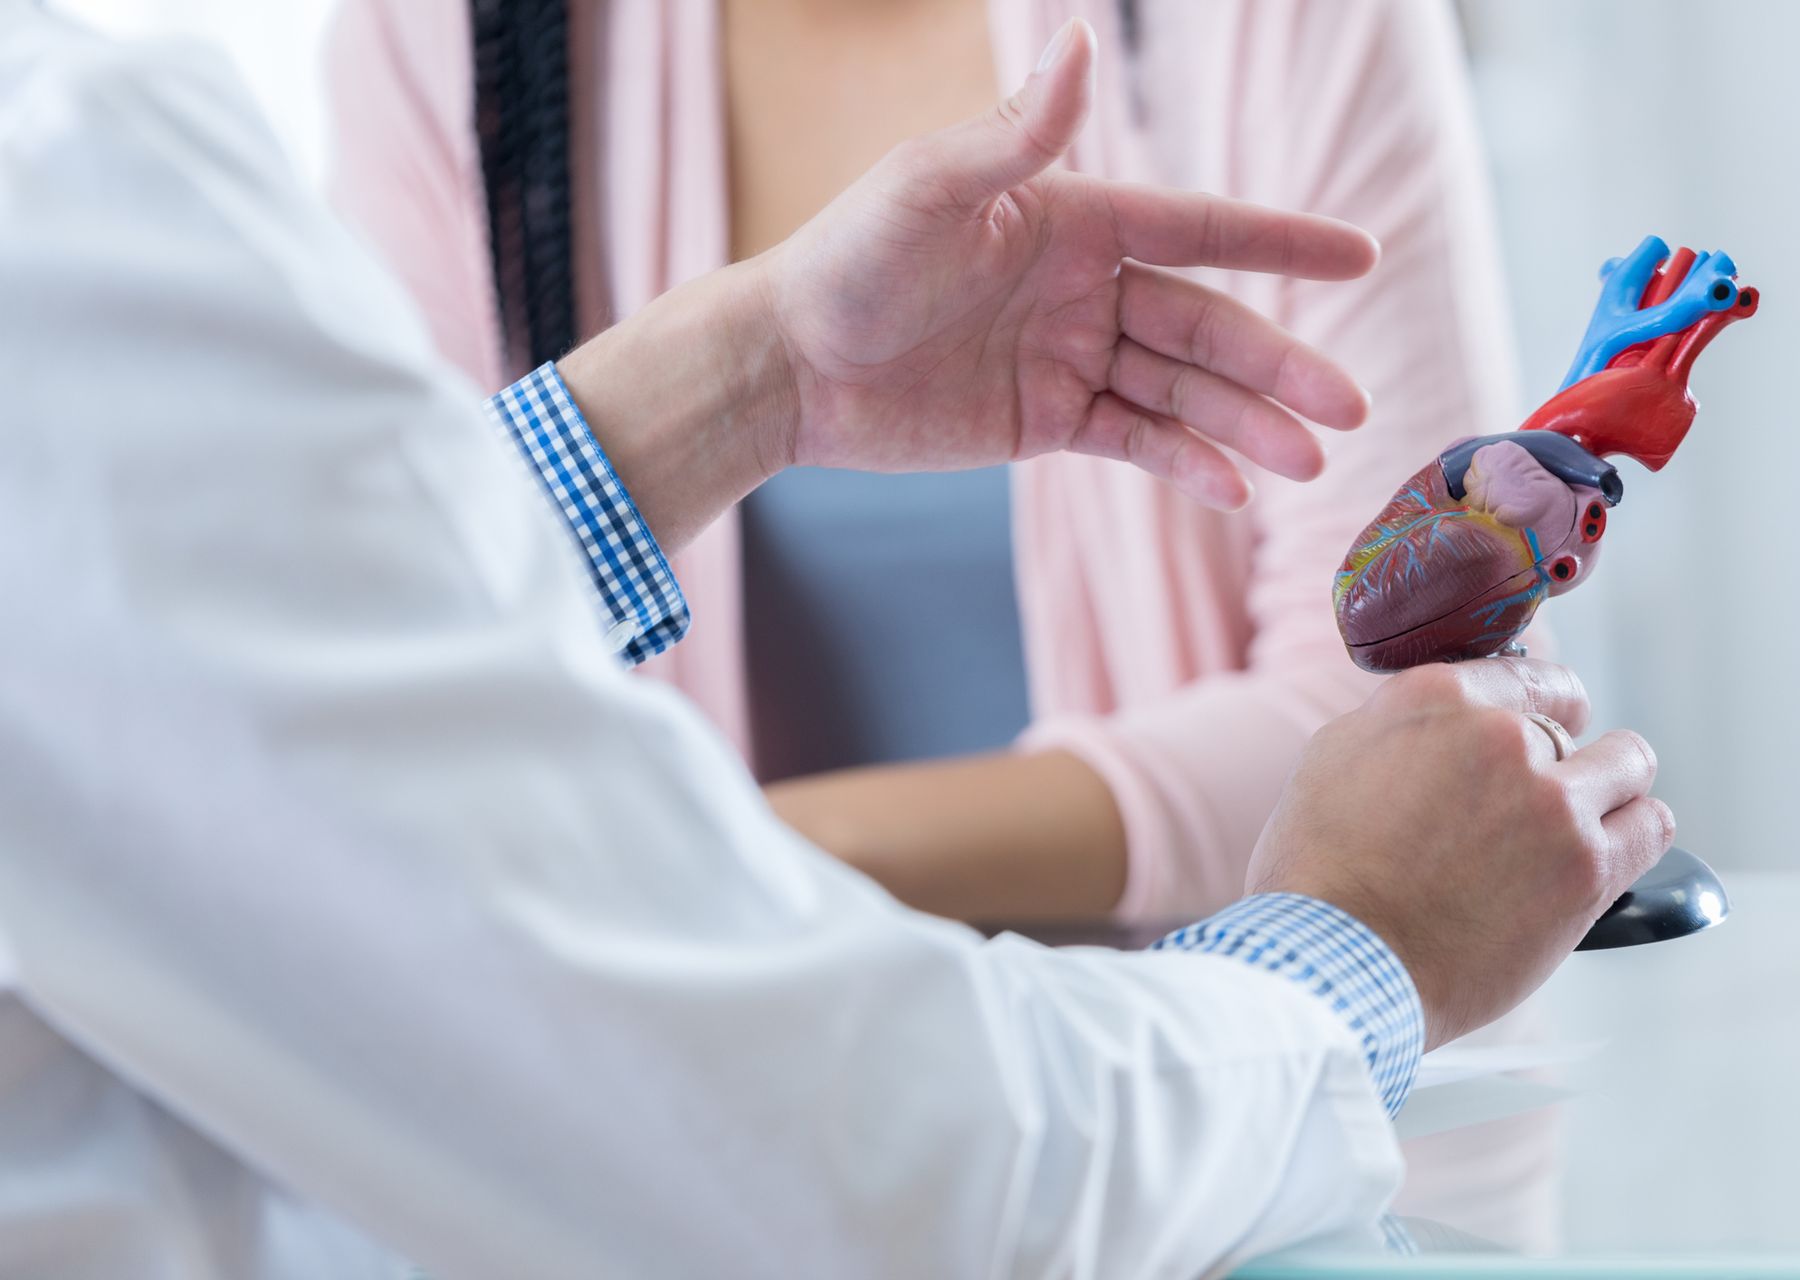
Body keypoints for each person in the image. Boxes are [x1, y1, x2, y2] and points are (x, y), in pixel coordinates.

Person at [0, 8, 1671, 1278]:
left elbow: (286, 649)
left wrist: (746, 383)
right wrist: (1350, 958)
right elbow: (864, 1161)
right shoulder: (103, 170)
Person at [325, 0, 1522, 924]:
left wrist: (766, 865)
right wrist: (748, 385)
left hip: (1209, 1120)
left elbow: (1417, 703)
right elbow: (395, 699)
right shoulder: (456, 44)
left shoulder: (1274, 24)